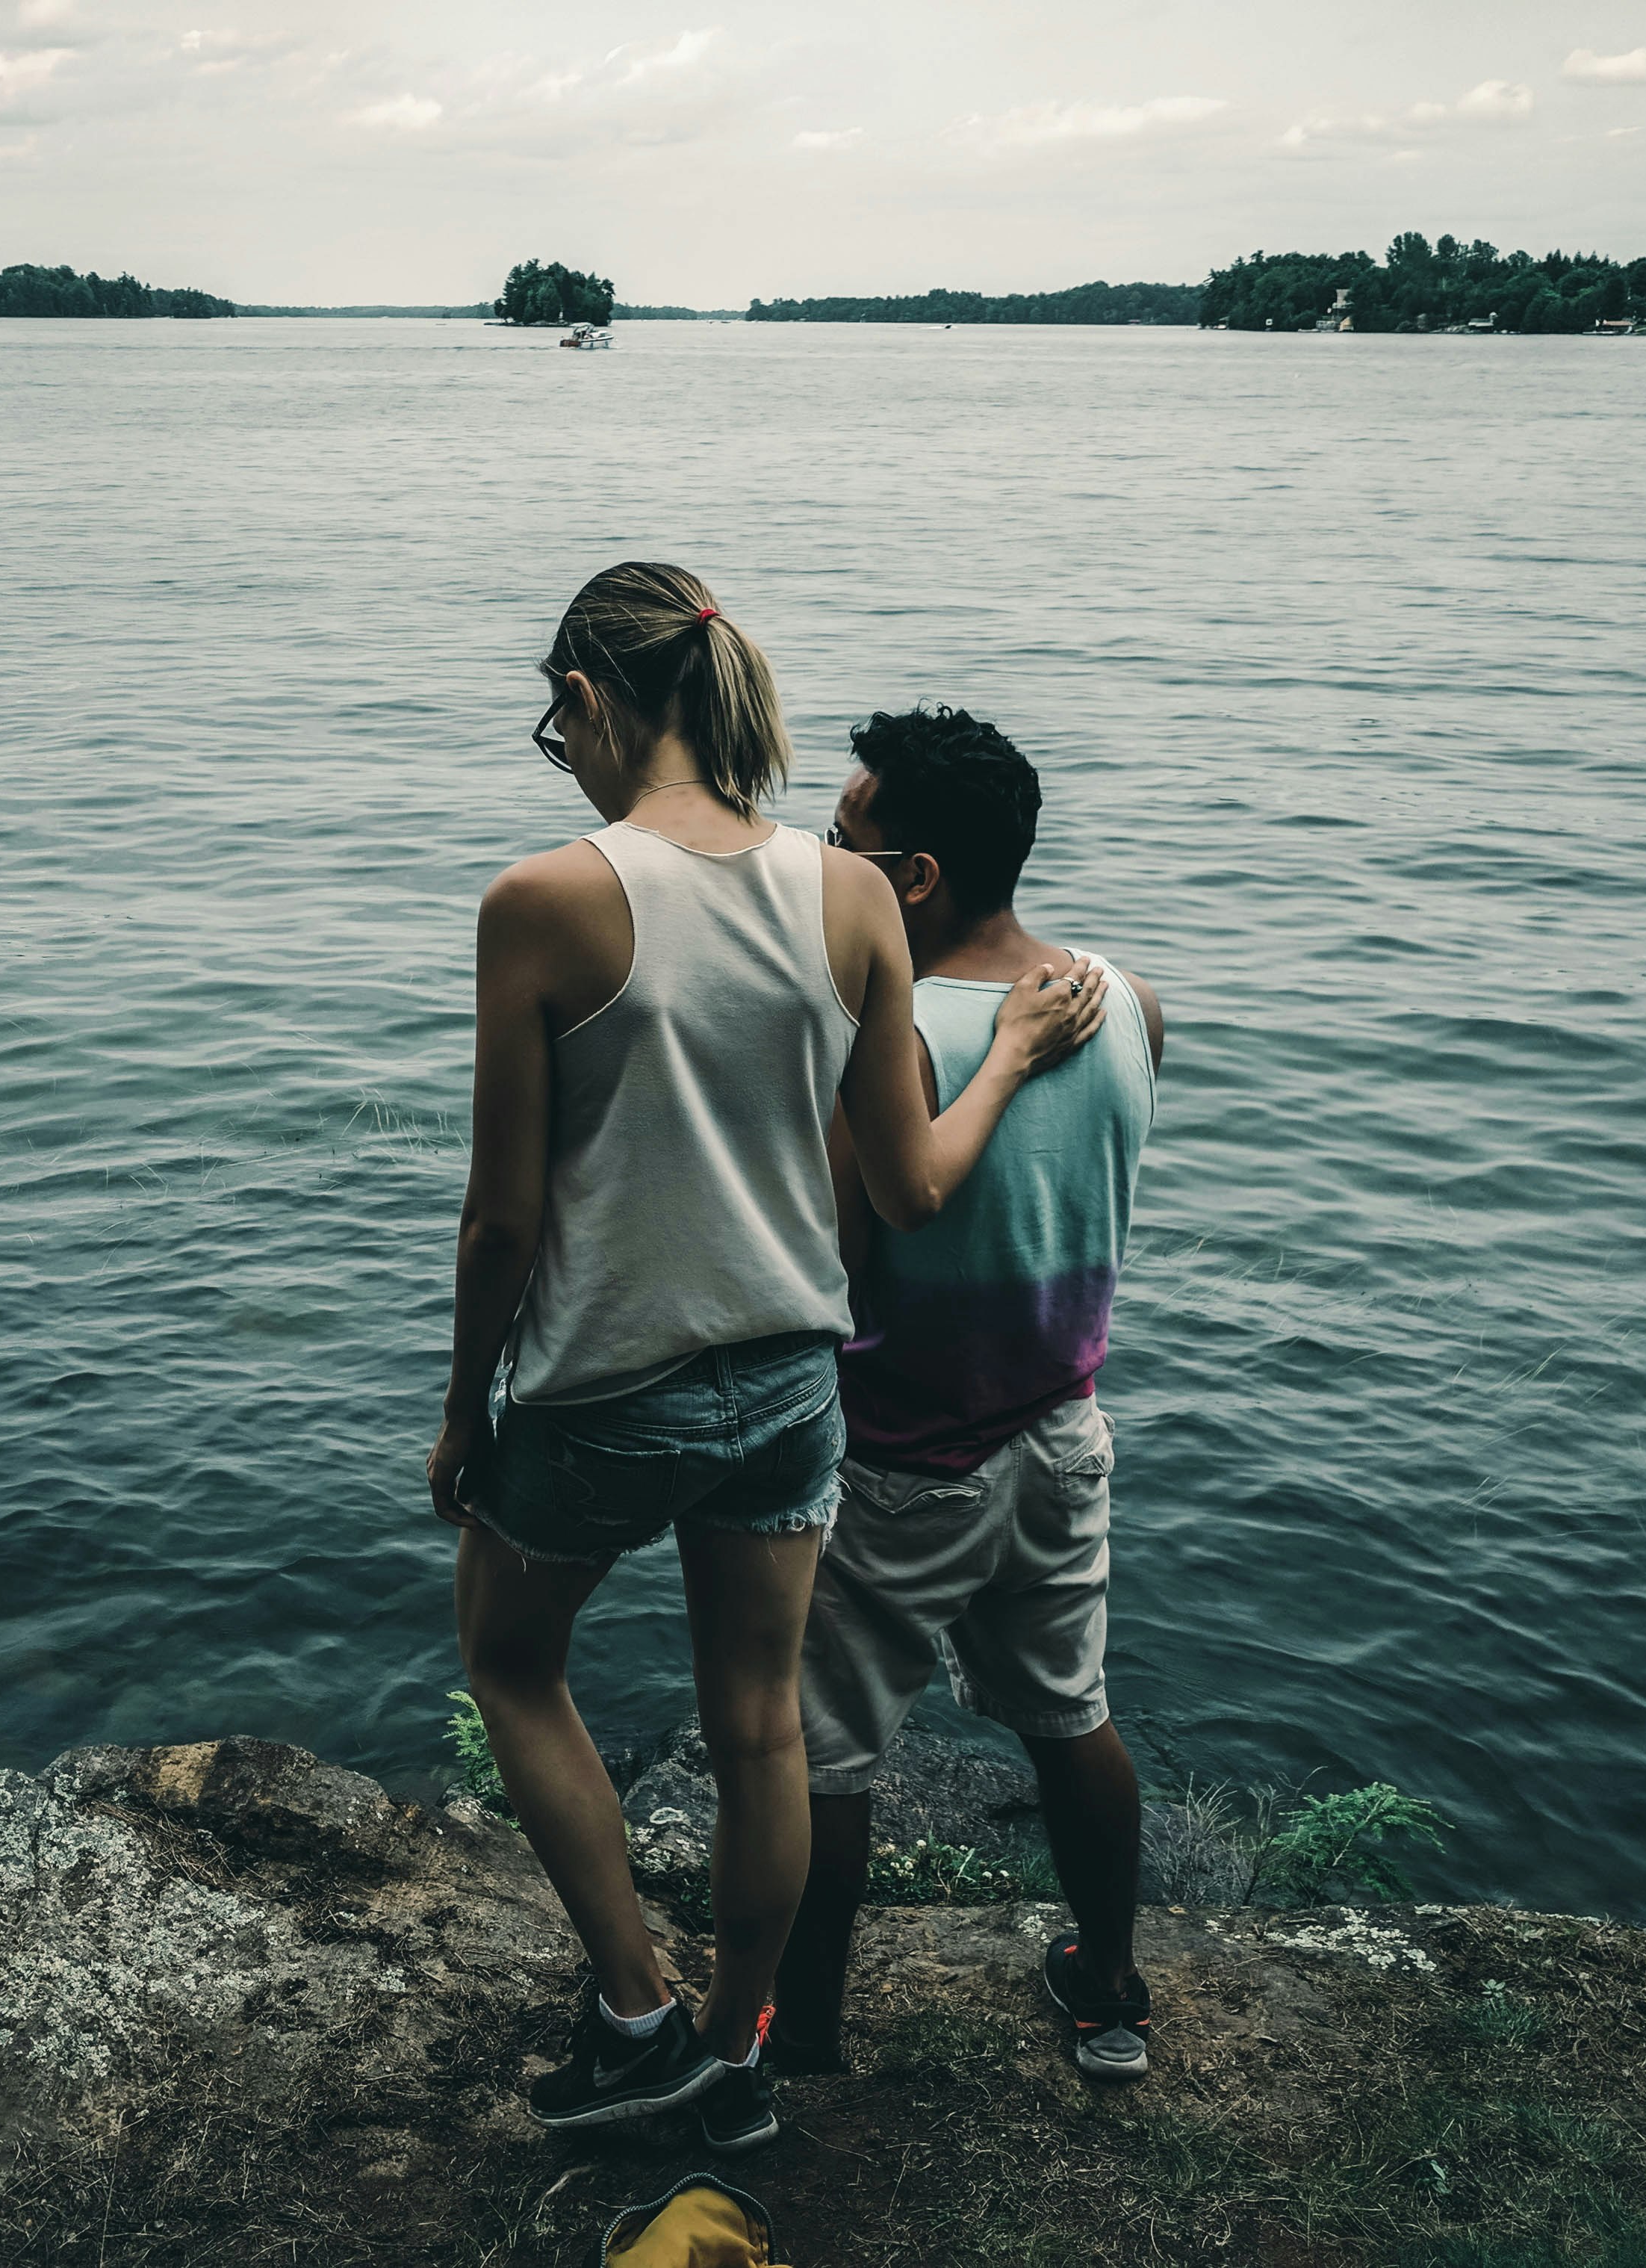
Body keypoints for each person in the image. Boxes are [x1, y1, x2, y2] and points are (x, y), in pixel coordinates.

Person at [426, 567, 1110, 2155]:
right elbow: (911, 1187)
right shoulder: (850, 893)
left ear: (590, 701)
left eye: (557, 725)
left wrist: (464, 1412)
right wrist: (1003, 1053)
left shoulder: (546, 900)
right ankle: (738, 2054)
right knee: (758, 1730)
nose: (562, 754)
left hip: (610, 1388)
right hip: (795, 1387)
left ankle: (635, 2018)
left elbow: (499, 1225)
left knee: (511, 1661)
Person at [772, 704, 1166, 2083]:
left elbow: (836, 1254)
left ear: (916, 876)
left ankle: (804, 2035)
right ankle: (1109, 1993)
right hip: (1063, 1435)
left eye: (844, 838)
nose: (824, 858)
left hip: (896, 1458)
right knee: (1072, 1715)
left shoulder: (893, 1041)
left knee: (822, 1755)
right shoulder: (1126, 1002)